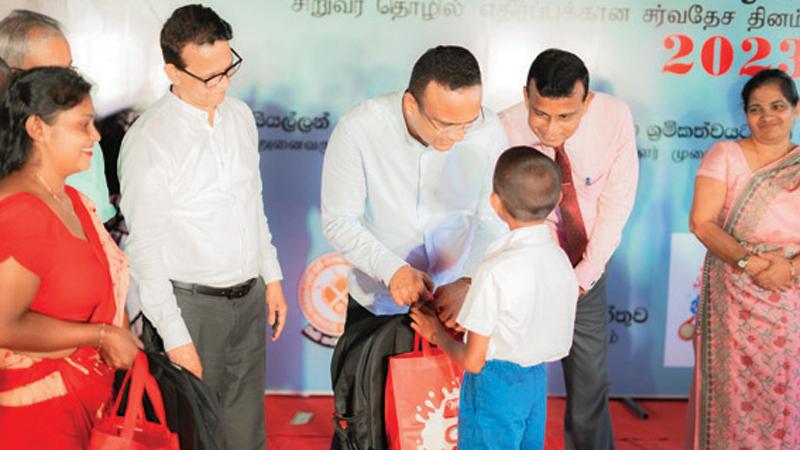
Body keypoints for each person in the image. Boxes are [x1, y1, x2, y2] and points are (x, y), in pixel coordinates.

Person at [321, 44, 508, 447]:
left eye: (466, 124)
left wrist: (470, 280)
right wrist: (393, 269)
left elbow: (493, 221)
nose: (456, 136)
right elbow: (339, 220)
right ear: (410, 105)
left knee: (443, 428)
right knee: (366, 425)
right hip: (377, 304)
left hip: (455, 309)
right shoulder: (360, 128)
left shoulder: (490, 131)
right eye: (444, 124)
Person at [118, 5, 287, 449]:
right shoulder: (151, 140)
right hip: (189, 308)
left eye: (229, 68)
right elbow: (145, 250)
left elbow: (253, 204)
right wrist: (175, 339)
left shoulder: (240, 117)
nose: (224, 83)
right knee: (191, 435)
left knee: (246, 433)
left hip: (248, 299)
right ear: (172, 71)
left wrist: (271, 276)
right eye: (210, 77)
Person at [499, 48, 638, 450]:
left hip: (585, 269)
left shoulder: (614, 118)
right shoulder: (503, 129)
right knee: (514, 380)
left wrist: (582, 277)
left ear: (587, 101)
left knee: (589, 382)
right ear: (526, 95)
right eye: (540, 113)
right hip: (525, 272)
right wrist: (539, 279)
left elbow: (616, 203)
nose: (550, 128)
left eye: (566, 116)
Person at [0, 66, 141, 449]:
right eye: (83, 125)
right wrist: (99, 335)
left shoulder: (74, 199)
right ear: (37, 129)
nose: (95, 136)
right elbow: (4, 325)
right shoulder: (22, 210)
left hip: (85, 406)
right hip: (36, 417)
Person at [411, 146, 579, 450]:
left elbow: (473, 361)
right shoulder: (559, 259)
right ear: (557, 201)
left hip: (494, 384)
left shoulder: (495, 268)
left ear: (495, 203)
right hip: (535, 382)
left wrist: (436, 333)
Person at [687, 68, 800, 449]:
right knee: (730, 394)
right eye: (756, 109)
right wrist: (750, 264)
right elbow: (702, 223)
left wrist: (789, 268)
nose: (767, 117)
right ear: (745, 114)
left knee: (785, 395)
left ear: (796, 110)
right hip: (733, 297)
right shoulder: (725, 155)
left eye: (777, 106)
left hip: (791, 296)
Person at [0, 9, 116, 222]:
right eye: (53, 73)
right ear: (12, 75)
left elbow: (97, 226)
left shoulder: (85, 140)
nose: (68, 84)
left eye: (69, 70)